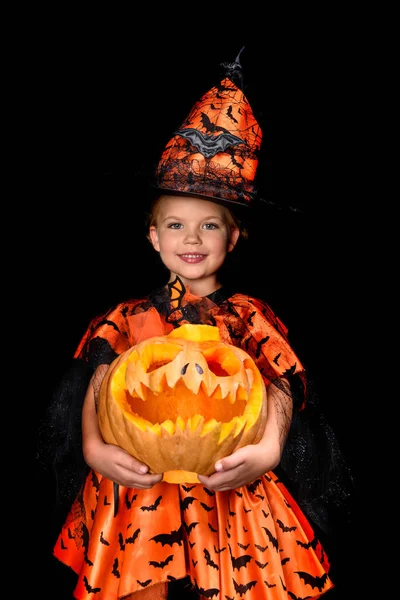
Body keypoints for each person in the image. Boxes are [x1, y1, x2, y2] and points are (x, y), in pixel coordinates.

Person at [38, 49, 353, 599]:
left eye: (209, 225)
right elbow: (101, 379)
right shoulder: (129, 316)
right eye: (176, 225)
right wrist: (93, 446)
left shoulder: (250, 315)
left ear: (232, 239)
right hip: (137, 482)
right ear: (153, 237)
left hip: (230, 477)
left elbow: (280, 383)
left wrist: (270, 448)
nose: (191, 239)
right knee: (138, 581)